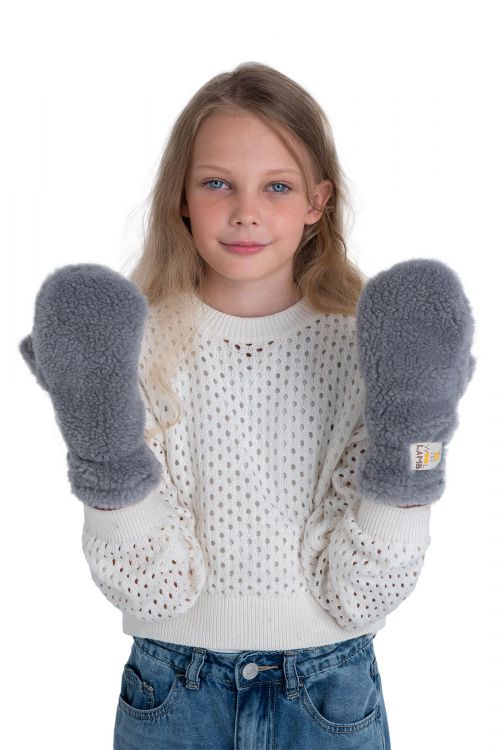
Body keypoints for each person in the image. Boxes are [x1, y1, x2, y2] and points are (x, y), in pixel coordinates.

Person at [21, 61, 475, 749]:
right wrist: (105, 454)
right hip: (173, 689)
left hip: (329, 690)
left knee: (405, 443)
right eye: (217, 183)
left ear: (318, 201)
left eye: (277, 186)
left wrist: (412, 456)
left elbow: (364, 592)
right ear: (181, 196)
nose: (246, 211)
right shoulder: (130, 350)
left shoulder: (374, 352)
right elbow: (151, 592)